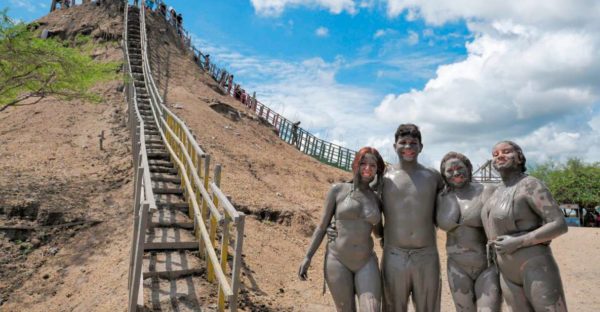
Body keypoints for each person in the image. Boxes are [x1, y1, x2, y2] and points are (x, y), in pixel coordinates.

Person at [481, 141, 568, 311]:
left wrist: (519, 241)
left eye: (506, 151)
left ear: (519, 157)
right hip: (506, 270)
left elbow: (559, 224)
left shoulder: (530, 185)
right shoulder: (495, 191)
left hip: (534, 265)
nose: (500, 156)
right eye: (495, 154)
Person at [299, 147, 385, 312]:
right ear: (356, 165)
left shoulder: (376, 199)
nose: (368, 168)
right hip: (337, 259)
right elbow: (322, 226)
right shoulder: (338, 190)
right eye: (363, 163)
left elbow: (379, 233)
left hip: (365, 261)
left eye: (373, 166)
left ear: (377, 170)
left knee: (372, 308)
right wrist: (308, 256)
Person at [379, 123, 443, 312]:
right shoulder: (384, 177)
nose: (408, 147)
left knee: (428, 307)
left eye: (413, 143)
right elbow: (363, 201)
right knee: (392, 307)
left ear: (421, 147)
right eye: (403, 142)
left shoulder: (433, 176)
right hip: (394, 254)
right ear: (394, 146)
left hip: (427, 254)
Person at [436, 152, 501, 312]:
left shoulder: (487, 191)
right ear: (444, 175)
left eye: (460, 168)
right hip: (457, 266)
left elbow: (506, 217)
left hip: (487, 264)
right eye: (449, 171)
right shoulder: (441, 197)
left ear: (469, 168)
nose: (456, 173)